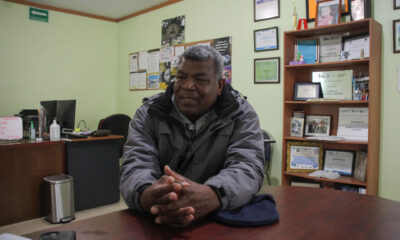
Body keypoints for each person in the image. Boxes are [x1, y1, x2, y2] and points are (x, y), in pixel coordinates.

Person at [120, 45, 265, 228]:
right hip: (156, 219)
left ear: (220, 85)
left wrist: (212, 194)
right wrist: (148, 193)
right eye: (181, 77)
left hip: (215, 221)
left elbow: (248, 166)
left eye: (200, 79)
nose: (187, 86)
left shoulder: (241, 114)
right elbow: (135, 164)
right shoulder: (149, 114)